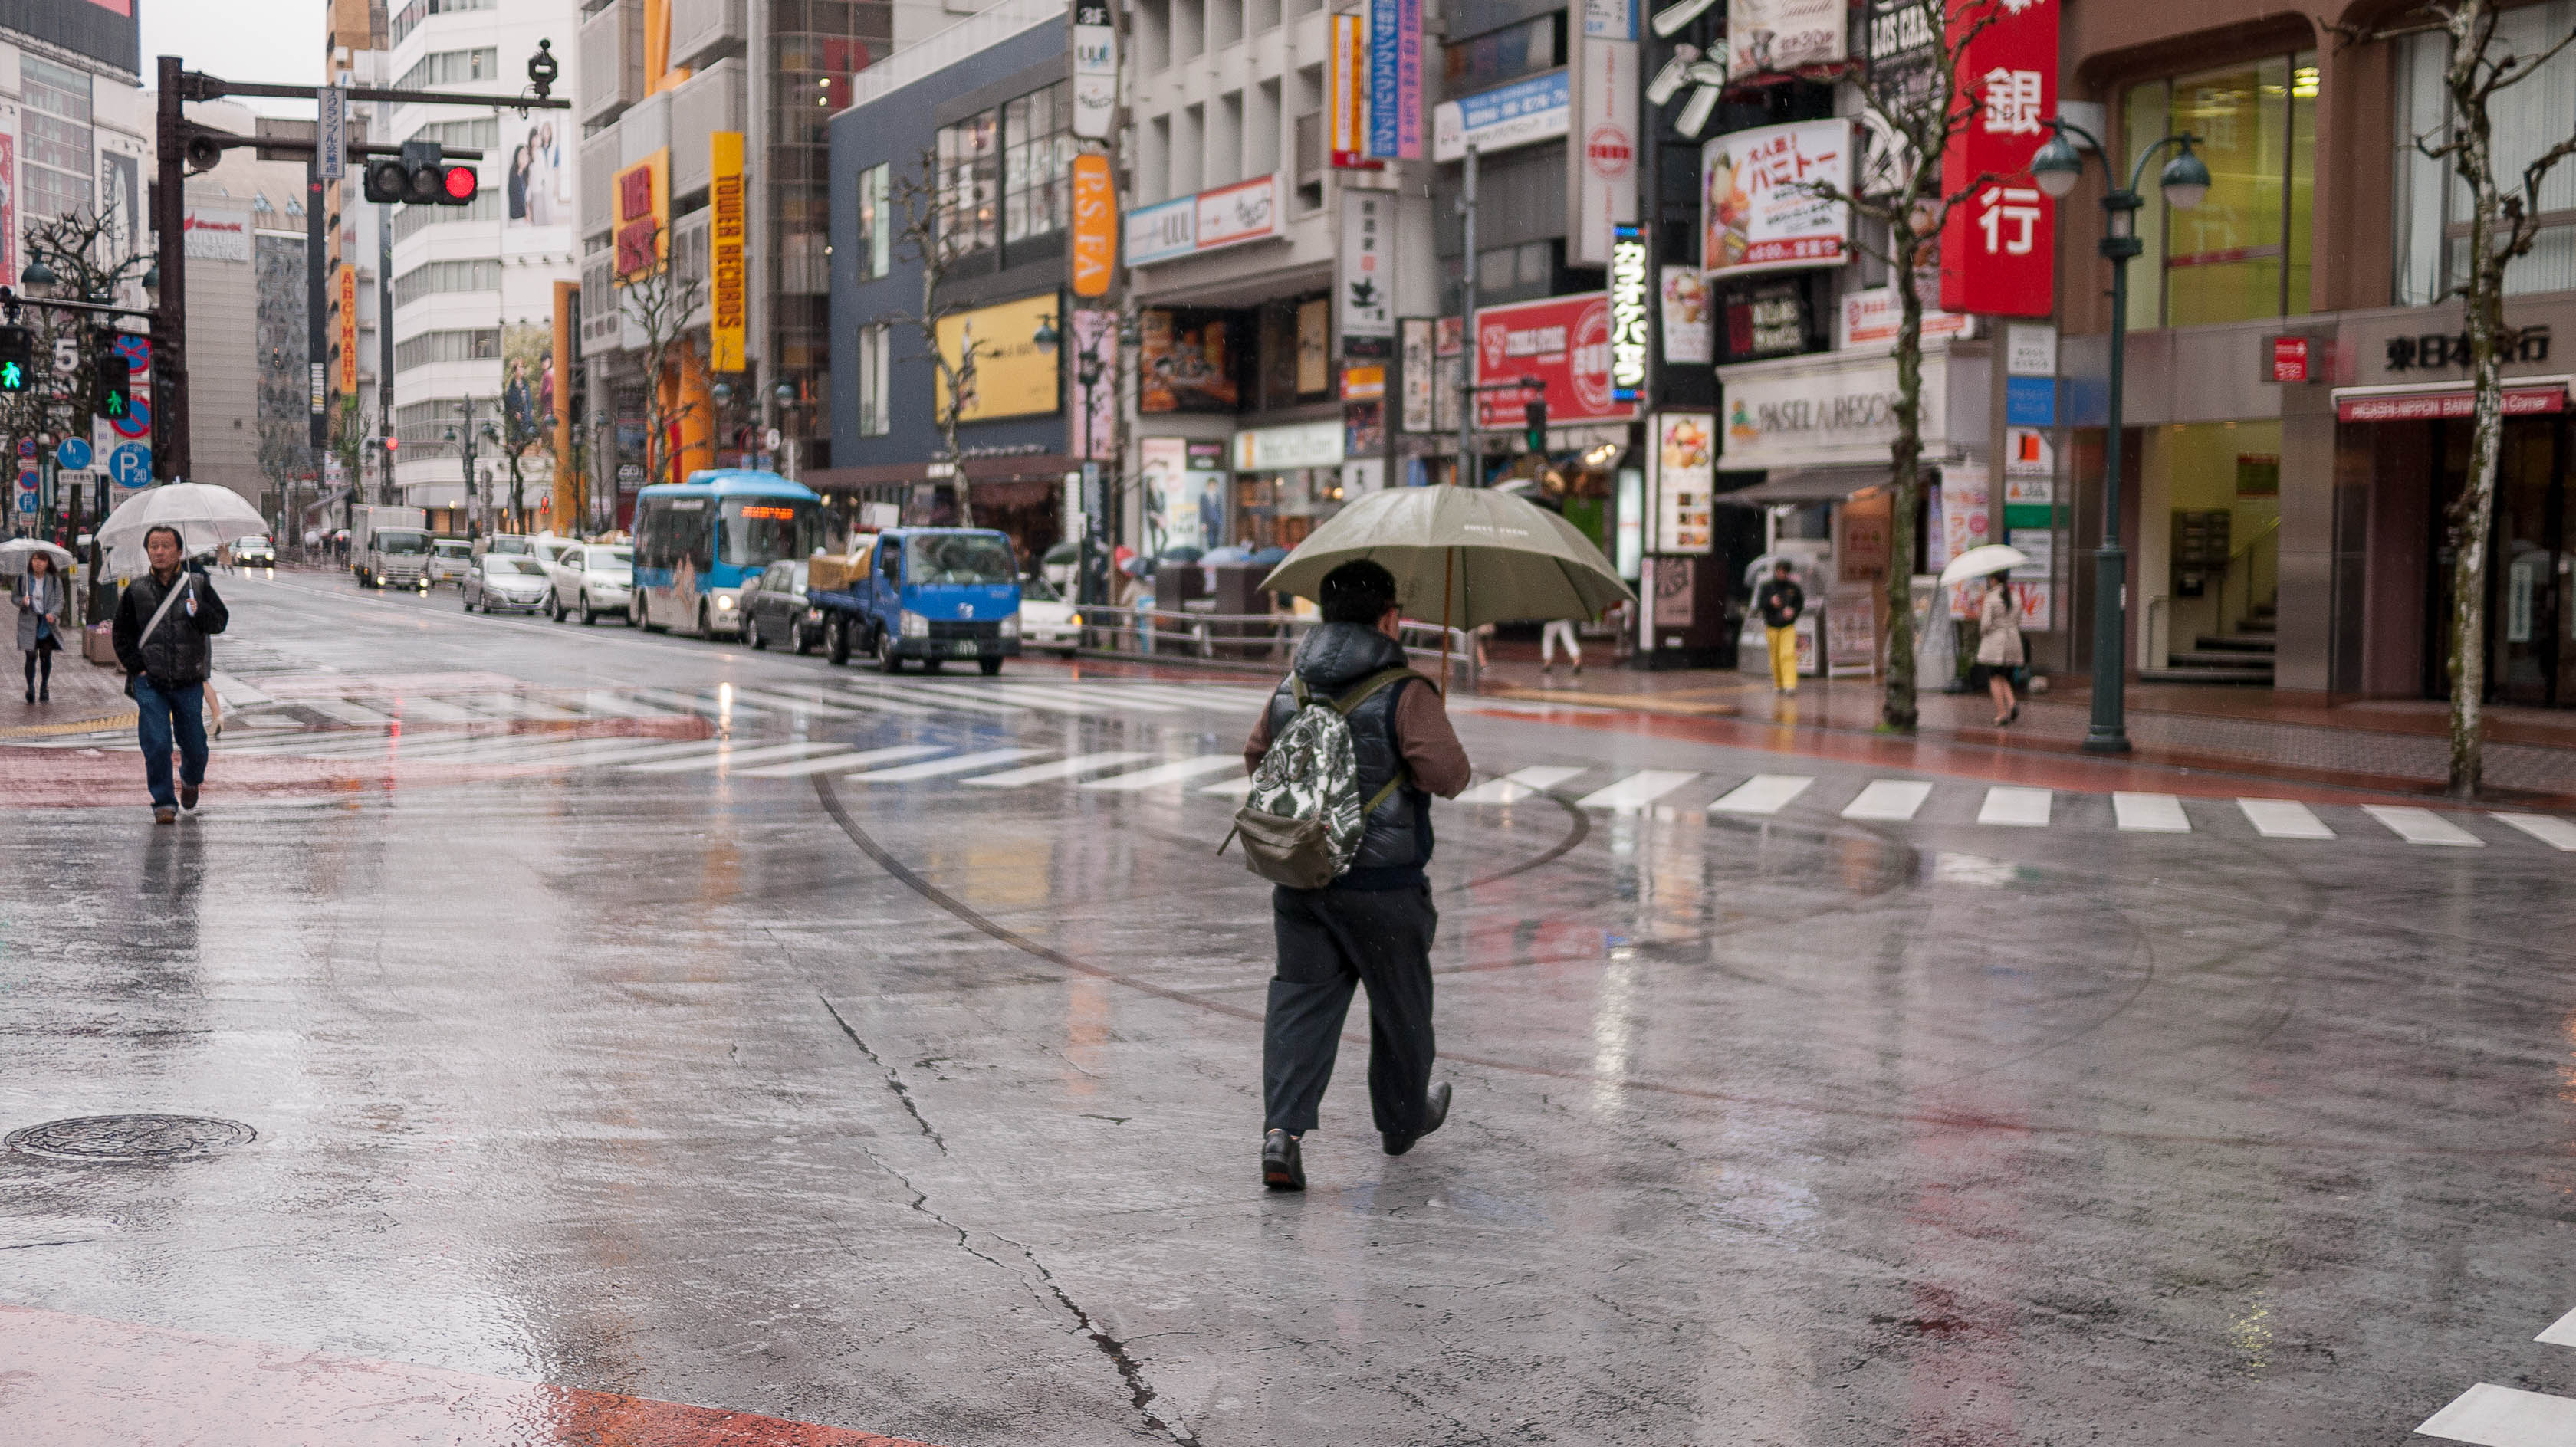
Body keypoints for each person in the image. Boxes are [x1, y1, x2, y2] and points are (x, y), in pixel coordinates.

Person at [1242, 559, 1473, 1191]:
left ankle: (1281, 1135)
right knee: (1402, 1008)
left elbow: (1257, 757)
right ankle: (1401, 1121)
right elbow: (1449, 776)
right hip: (1383, 887)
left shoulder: (1294, 687)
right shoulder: (1406, 690)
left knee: (1301, 1002)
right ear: (1389, 617)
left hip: (1303, 880)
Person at [112, 525, 228, 825]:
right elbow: (121, 633)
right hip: (149, 680)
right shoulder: (136, 590)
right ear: (147, 551)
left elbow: (219, 622)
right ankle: (163, 801)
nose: (159, 551)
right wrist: (136, 665)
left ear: (179, 551)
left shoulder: (198, 585)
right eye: (153, 546)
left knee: (195, 745)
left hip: (189, 680)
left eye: (166, 546)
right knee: (157, 743)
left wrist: (199, 610)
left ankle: (191, 780)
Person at [16, 549, 64, 703]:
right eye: (35, 559)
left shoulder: (54, 580)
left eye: (42, 560)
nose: (38, 563)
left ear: (48, 563)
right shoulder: (23, 579)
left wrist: (53, 614)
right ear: (31, 561)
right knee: (30, 655)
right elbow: (15, 597)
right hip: (29, 622)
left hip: (46, 624)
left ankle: (44, 685)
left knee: (45, 655)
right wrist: (22, 601)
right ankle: (30, 687)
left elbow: (60, 600)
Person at [1974, 573, 2022, 727]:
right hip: (2012, 641)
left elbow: (1985, 624)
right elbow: (2018, 619)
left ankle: (2002, 714)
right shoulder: (2015, 596)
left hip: (1995, 643)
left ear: (1993, 580)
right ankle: (2012, 703)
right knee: (2002, 676)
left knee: (1994, 677)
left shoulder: (1991, 597)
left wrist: (1981, 631)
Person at [1755, 559, 1806, 695]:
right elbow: (1761, 605)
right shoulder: (1767, 587)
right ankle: (1779, 683)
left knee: (1787, 654)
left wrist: (1793, 611)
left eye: (1784, 571)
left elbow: (1800, 604)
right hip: (1772, 626)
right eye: (1780, 571)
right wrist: (1771, 602)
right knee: (1775, 656)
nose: (1782, 574)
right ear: (1776, 571)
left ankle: (1790, 684)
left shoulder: (1793, 588)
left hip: (1788, 626)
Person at [1539, 614, 1583, 678]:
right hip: (1563, 618)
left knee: (1548, 640)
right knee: (1569, 640)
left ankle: (1547, 664)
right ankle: (1577, 662)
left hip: (1550, 620)